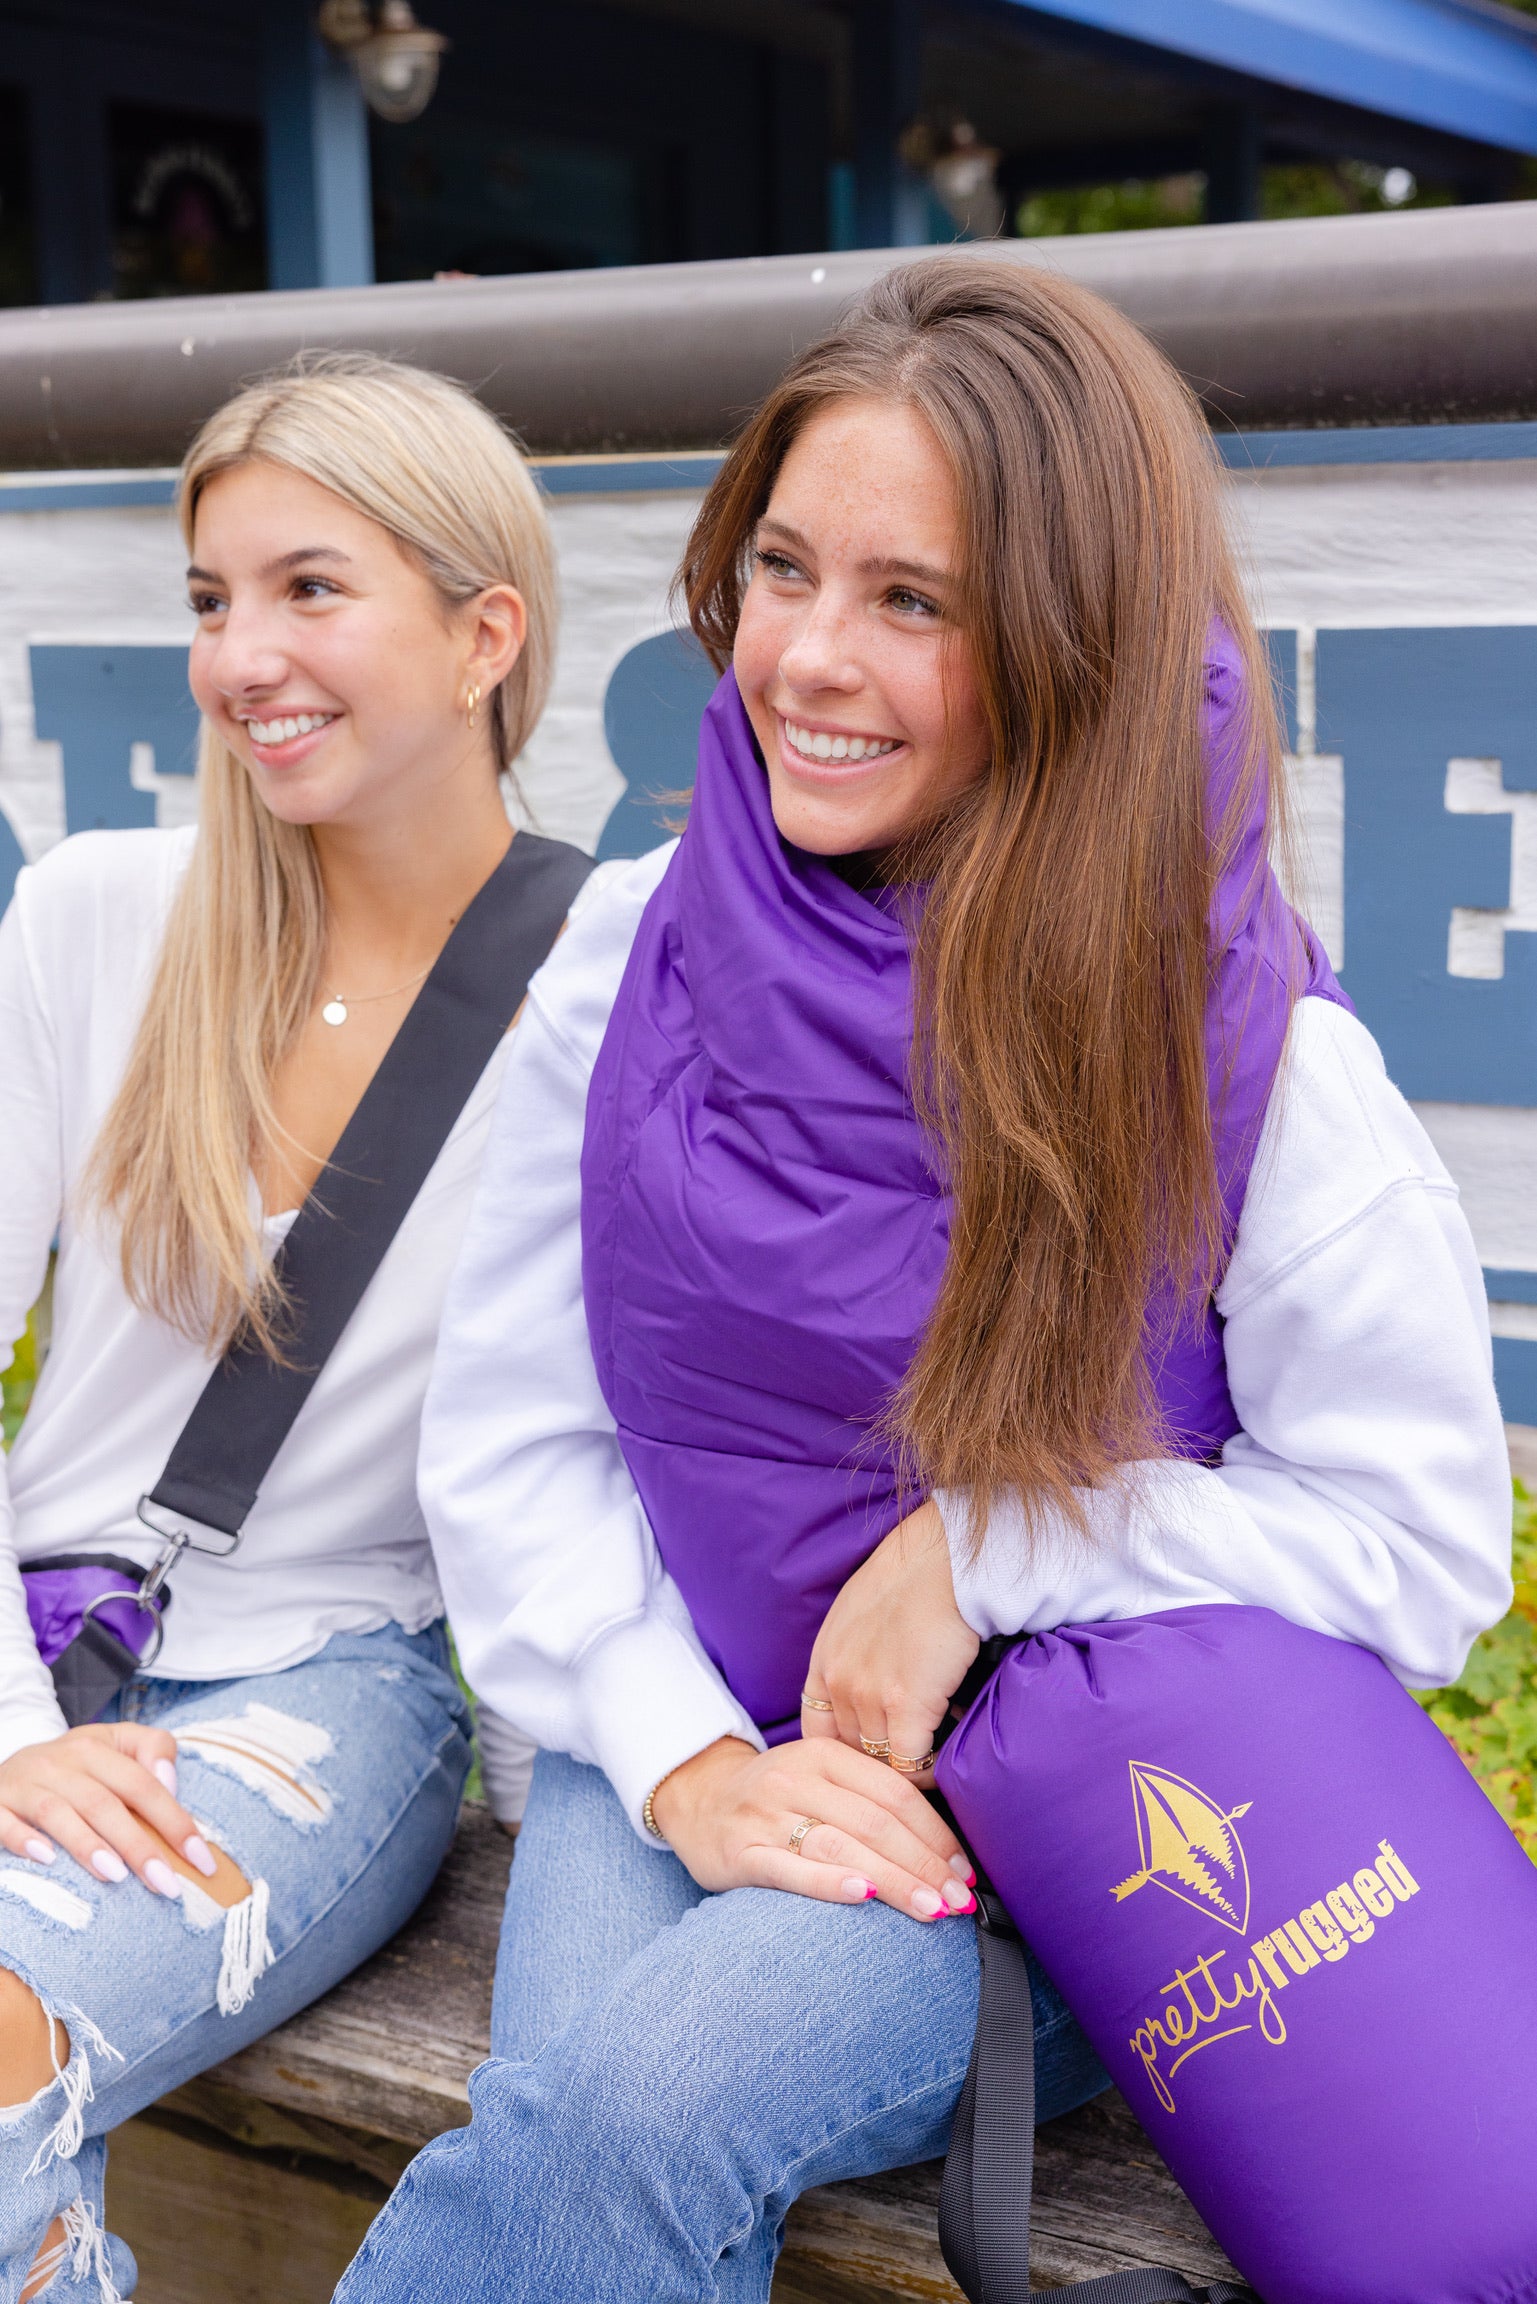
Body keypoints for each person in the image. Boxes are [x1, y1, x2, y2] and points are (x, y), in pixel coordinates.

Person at [342, 262, 1512, 2303]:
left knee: (626, 2107)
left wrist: (992, 1550)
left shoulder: (1240, 1047)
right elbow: (517, 1438)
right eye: (781, 568)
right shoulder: (629, 953)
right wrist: (689, 1757)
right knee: (584, 2120)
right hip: (692, 1723)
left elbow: (1419, 1550)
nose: (803, 655)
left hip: (1058, 1828)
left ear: (1075, 646)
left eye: (914, 602)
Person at [0, 354, 583, 2302]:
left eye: (309, 589)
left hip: (326, 1687)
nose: (241, 655)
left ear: (483, 630)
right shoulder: (102, 913)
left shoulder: (606, 978)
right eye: (208, 598)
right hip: (21, 1648)